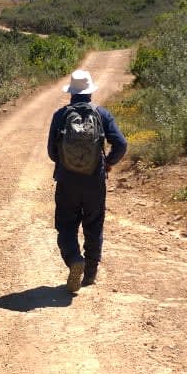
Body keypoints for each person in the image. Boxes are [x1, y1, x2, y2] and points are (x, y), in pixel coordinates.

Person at [47, 69, 127, 292]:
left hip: (67, 182)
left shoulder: (60, 116)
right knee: (94, 226)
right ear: (90, 93)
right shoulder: (102, 114)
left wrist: (66, 163)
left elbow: (52, 153)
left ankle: (74, 259)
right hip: (95, 181)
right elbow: (121, 144)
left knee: (66, 225)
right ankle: (90, 274)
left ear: (71, 93)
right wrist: (108, 162)